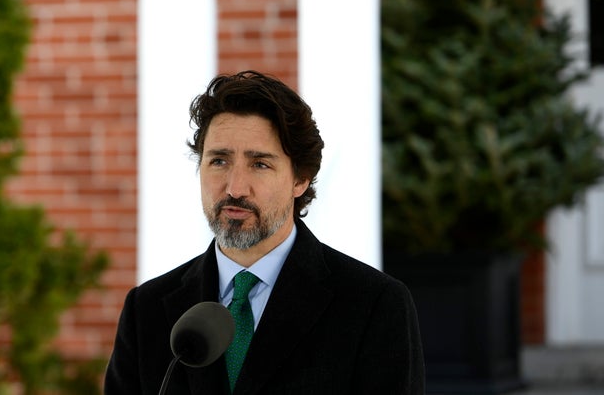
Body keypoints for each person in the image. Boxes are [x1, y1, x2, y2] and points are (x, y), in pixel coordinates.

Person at [104, 70, 425, 394]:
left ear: (300, 179)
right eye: (219, 161)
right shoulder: (146, 310)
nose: (235, 188)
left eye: (260, 164)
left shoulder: (373, 305)